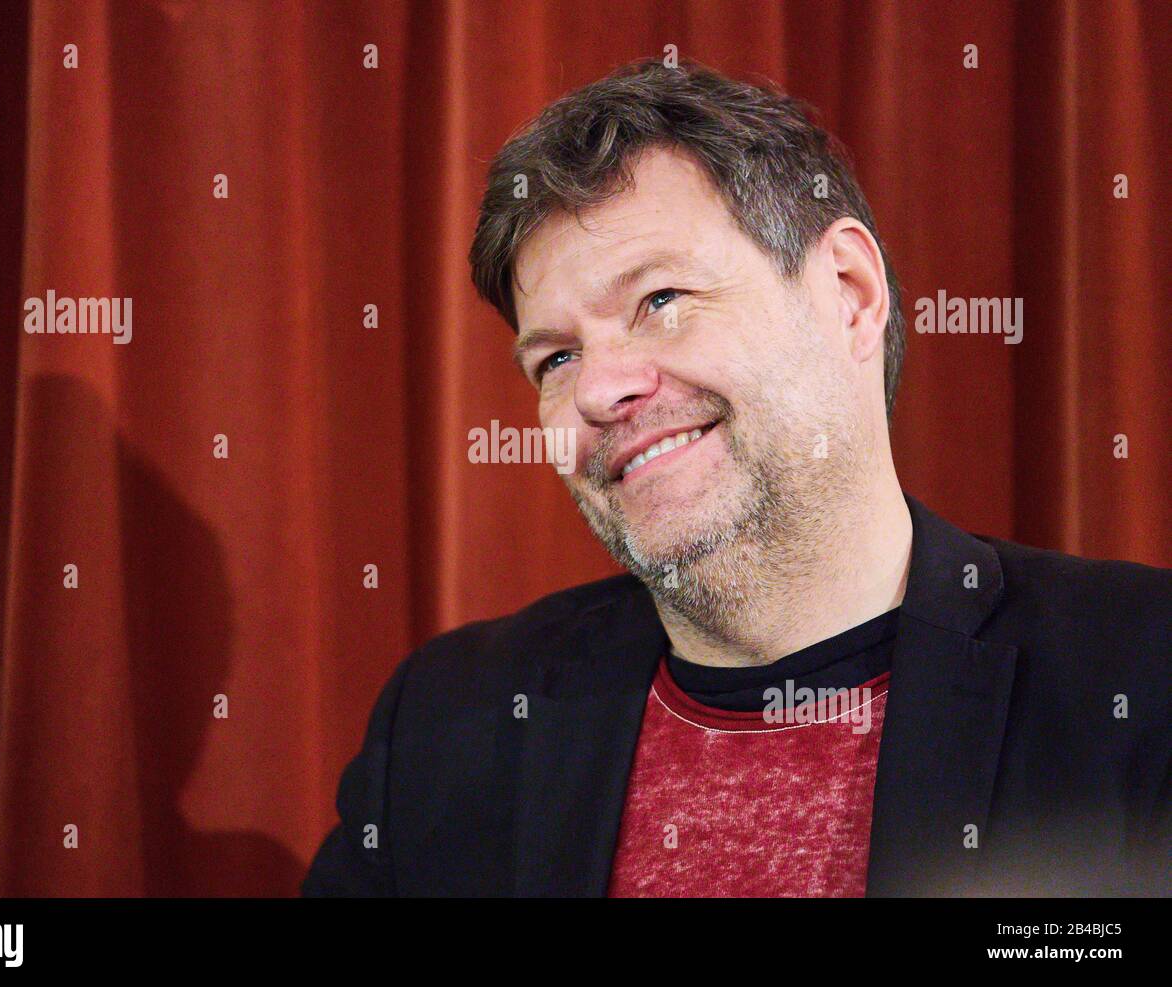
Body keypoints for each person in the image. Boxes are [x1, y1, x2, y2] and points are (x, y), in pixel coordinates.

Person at [302, 59, 1170, 897]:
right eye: (557, 356)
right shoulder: (444, 728)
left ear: (849, 292)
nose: (600, 390)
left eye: (661, 300)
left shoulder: (1142, 676)